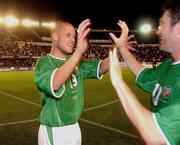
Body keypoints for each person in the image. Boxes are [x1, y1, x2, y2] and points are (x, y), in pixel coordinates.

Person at [109, 0, 180, 144]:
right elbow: (143, 75)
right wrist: (123, 48)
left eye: (161, 25)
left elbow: (157, 137)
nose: (157, 30)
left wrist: (119, 84)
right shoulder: (168, 66)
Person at [34, 19, 109, 145]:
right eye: (68, 35)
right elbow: (55, 83)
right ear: (55, 36)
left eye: (74, 36)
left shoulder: (76, 62)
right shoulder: (44, 63)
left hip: (74, 127)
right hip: (56, 130)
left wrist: (120, 50)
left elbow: (101, 67)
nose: (73, 40)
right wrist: (78, 52)